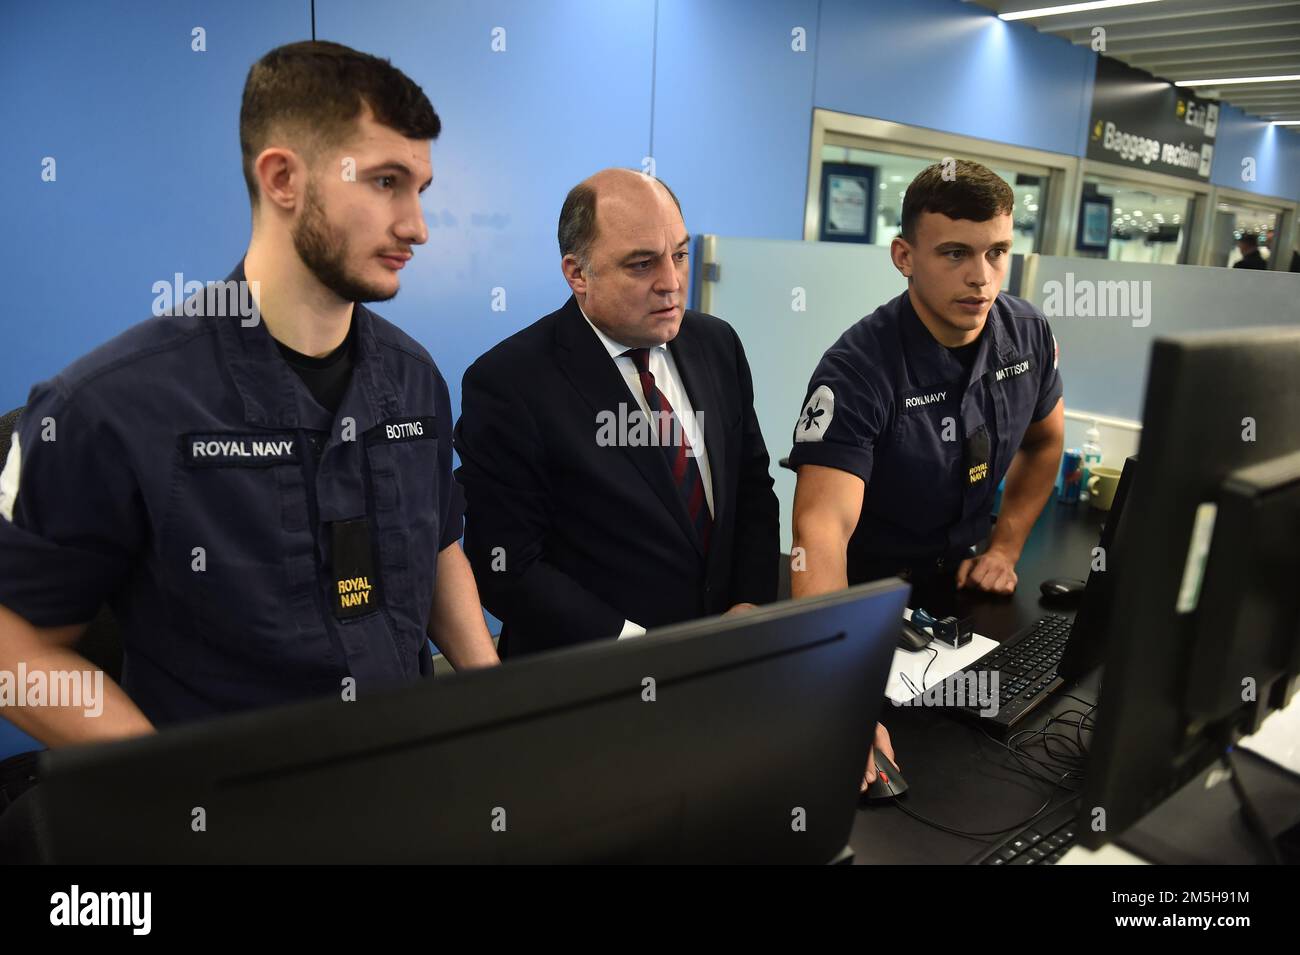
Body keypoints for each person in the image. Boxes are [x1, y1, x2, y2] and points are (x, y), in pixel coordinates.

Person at [0, 40, 499, 757]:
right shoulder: (110, 405)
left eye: (421, 188)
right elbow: (14, 643)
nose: (417, 225)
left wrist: (495, 711)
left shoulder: (415, 380)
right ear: (283, 178)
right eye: (387, 182)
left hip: (408, 781)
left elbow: (439, 542)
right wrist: (162, 774)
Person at [788, 159, 1065, 790]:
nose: (981, 277)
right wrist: (840, 697)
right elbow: (818, 528)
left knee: (992, 773)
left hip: (962, 591)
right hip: (862, 605)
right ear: (904, 256)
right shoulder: (857, 369)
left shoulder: (1026, 334)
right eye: (955, 253)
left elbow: (1046, 442)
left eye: (998, 252)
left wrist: (1006, 546)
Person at [453, 168, 779, 657]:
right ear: (578, 273)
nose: (671, 283)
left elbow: (752, 486)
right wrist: (637, 647)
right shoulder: (509, 383)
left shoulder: (718, 345)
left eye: (680, 255)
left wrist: (751, 603)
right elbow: (508, 565)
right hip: (591, 682)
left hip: (722, 661)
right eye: (642, 264)